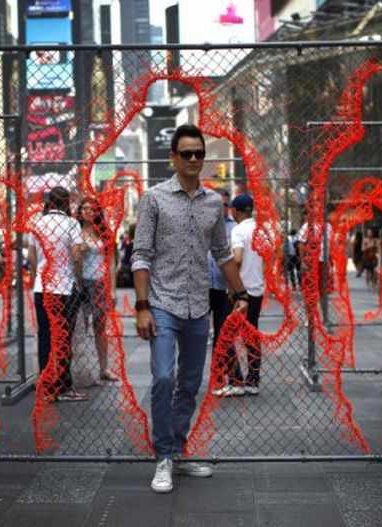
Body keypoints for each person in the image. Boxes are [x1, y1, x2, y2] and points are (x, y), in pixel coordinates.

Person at [131, 124, 249, 494]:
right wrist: (142, 307)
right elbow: (140, 254)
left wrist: (241, 293)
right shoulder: (153, 199)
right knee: (164, 378)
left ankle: (176, 452)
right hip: (162, 303)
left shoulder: (214, 202)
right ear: (174, 158)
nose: (194, 159)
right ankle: (163, 456)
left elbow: (223, 253)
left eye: (199, 153)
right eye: (187, 153)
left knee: (190, 384)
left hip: (199, 305)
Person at [28, 187, 88, 402]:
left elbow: (31, 257)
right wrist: (79, 281)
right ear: (67, 203)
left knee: (45, 336)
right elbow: (77, 258)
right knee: (63, 337)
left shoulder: (37, 223)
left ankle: (47, 387)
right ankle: (63, 386)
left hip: (42, 288)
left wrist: (39, 274)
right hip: (65, 288)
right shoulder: (72, 224)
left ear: (50, 202)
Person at [213, 193, 265, 397]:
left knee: (224, 333)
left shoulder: (238, 230)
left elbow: (237, 258)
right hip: (257, 289)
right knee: (251, 335)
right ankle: (253, 381)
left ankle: (235, 380)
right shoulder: (260, 230)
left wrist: (231, 282)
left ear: (236, 211)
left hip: (240, 291)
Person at [78, 197, 119, 382]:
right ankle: (81, 370)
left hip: (100, 283)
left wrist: (112, 289)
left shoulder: (103, 232)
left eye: (92, 209)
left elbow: (112, 262)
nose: (88, 212)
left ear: (97, 212)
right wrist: (79, 251)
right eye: (84, 208)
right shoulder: (75, 230)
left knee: (100, 327)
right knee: (81, 327)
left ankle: (104, 368)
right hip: (82, 283)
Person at [207, 188, 236, 355]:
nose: (222, 208)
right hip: (202, 287)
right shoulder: (202, 224)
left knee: (223, 332)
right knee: (195, 334)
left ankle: (219, 368)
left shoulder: (234, 228)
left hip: (225, 287)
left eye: (225, 204)